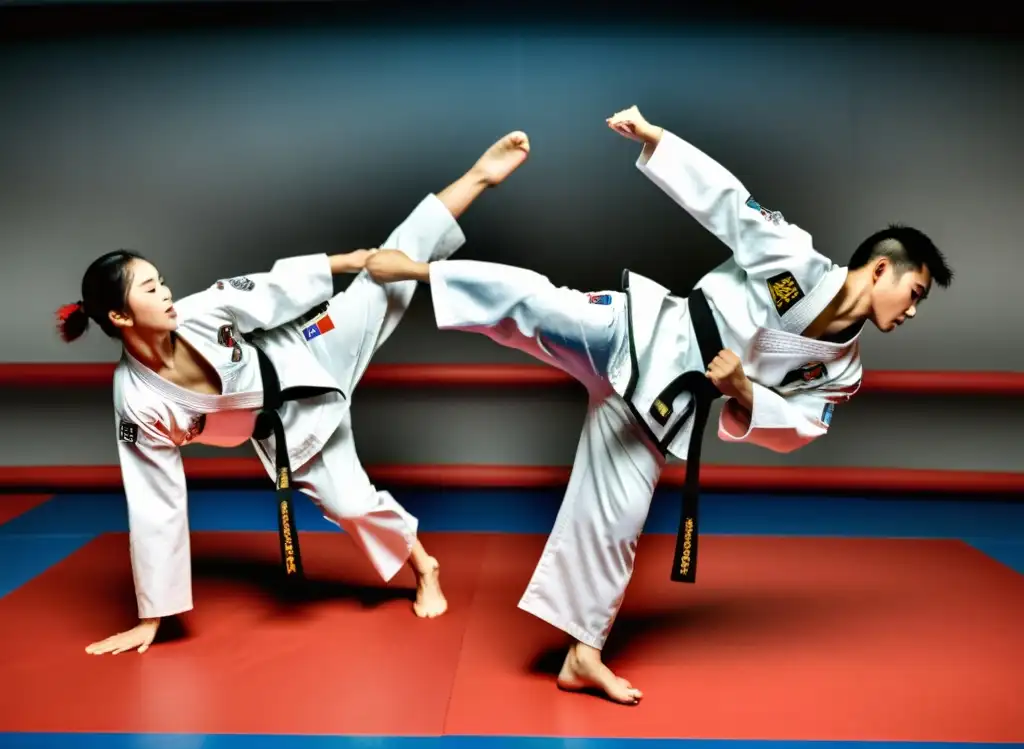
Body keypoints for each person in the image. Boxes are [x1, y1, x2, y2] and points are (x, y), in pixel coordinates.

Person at [363, 105, 953, 705]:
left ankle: (581, 657)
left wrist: (747, 394)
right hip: (644, 334)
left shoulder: (843, 368)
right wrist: (656, 140)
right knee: (540, 305)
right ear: (881, 269)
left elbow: (800, 428)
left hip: (667, 412)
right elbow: (729, 203)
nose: (911, 310)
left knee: (616, 523)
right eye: (914, 292)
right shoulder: (796, 267)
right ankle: (418, 269)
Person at [58, 130, 531, 656]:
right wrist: (153, 614)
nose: (167, 292)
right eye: (150, 289)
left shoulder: (199, 310)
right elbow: (154, 503)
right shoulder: (138, 402)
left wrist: (349, 261)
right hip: (287, 426)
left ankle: (478, 176)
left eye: (161, 280)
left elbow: (271, 288)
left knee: (386, 273)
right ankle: (425, 565)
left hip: (306, 348)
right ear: (120, 316)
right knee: (350, 506)